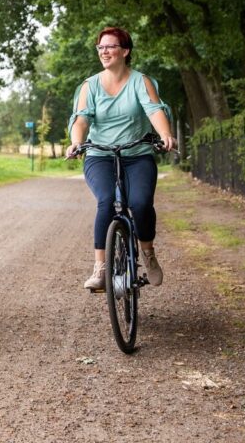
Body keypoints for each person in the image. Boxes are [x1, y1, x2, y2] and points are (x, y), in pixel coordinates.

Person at [66, 27, 175, 291]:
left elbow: (153, 110)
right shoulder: (89, 85)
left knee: (139, 203)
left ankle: (147, 253)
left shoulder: (141, 81)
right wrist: (77, 141)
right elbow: (82, 119)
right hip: (100, 155)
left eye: (110, 47)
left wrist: (165, 134)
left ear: (125, 51)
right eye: (100, 48)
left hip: (137, 155)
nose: (104, 52)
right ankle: (101, 269)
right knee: (106, 201)